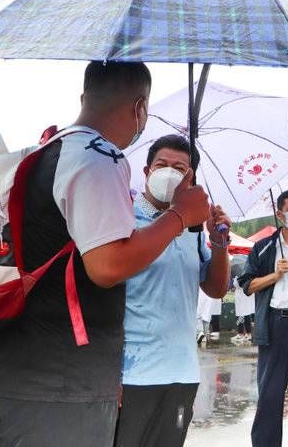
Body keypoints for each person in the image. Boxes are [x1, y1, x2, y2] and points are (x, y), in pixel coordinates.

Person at [0, 62, 210, 447]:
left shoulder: (47, 150)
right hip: (57, 398)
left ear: (84, 98)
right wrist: (181, 216)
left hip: (8, 380)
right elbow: (107, 267)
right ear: (140, 109)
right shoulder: (100, 157)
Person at [114, 135, 231, 447]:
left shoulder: (193, 231)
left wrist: (219, 243)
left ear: (189, 178)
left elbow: (216, 288)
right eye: (161, 165)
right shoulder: (123, 218)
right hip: (131, 374)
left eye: (179, 168)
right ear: (146, 170)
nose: (169, 172)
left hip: (181, 371)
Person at [238, 189, 288, 447]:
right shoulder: (264, 249)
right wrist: (274, 276)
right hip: (274, 325)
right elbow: (247, 284)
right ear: (280, 214)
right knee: (270, 395)